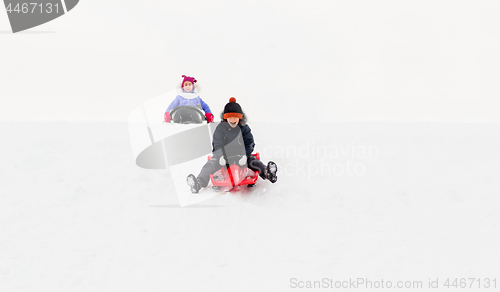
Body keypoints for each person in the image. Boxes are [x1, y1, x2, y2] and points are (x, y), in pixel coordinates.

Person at [186, 97, 278, 193]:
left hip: (241, 156)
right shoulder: (221, 128)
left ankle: (268, 173)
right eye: (230, 117)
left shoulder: (244, 128)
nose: (233, 120)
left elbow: (249, 143)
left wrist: (245, 155)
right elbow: (217, 144)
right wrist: (220, 156)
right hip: (224, 158)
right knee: (210, 164)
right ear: (226, 118)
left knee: (254, 161)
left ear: (240, 117)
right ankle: (199, 182)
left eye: (235, 117)